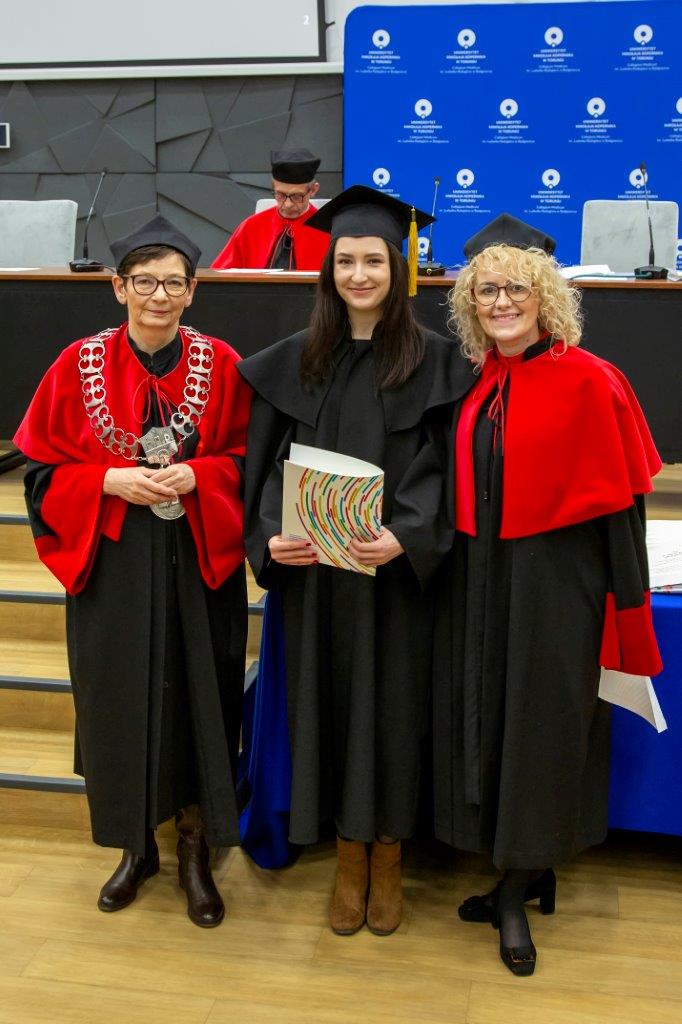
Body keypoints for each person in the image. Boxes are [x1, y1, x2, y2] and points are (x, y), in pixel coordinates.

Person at [238, 185, 474, 936]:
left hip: (399, 581)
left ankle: (389, 855)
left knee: (397, 712)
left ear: (398, 268)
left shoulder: (440, 365)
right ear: (328, 269)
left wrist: (411, 532)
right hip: (318, 582)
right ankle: (346, 857)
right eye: (346, 261)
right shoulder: (295, 362)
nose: (360, 274)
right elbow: (264, 470)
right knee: (327, 708)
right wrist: (271, 536)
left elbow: (450, 469)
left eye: (374, 260)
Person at [433, 213, 663, 975]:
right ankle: (527, 872)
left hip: (559, 587)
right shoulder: (477, 381)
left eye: (517, 289)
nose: (502, 302)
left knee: (542, 730)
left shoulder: (591, 379)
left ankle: (516, 889)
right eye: (487, 290)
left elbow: (623, 512)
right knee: (494, 720)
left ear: (546, 297)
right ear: (470, 303)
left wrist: (627, 610)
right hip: (485, 579)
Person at [14, 215, 252, 928]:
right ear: (119, 288)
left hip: (196, 564)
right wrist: (105, 482)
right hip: (112, 563)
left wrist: (201, 475)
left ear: (193, 291)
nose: (158, 296)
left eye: (173, 283)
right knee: (117, 699)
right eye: (144, 282)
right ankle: (135, 846)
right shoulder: (76, 364)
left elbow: (252, 460)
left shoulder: (222, 364)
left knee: (200, 696)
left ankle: (195, 848)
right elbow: (39, 473)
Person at [211, 148, 330, 271]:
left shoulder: (329, 231)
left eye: (297, 196)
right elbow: (219, 274)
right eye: (280, 195)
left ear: (313, 190)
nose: (287, 204)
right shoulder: (250, 227)